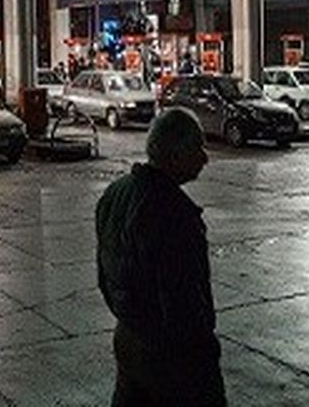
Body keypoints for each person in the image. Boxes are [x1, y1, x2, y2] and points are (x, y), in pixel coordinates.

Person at [96, 107, 225, 406]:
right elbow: (182, 301)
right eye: (198, 148)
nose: (205, 158)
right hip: (170, 355)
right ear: (175, 155)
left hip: (128, 337)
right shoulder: (173, 214)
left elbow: (103, 275)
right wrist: (202, 352)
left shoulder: (115, 194)